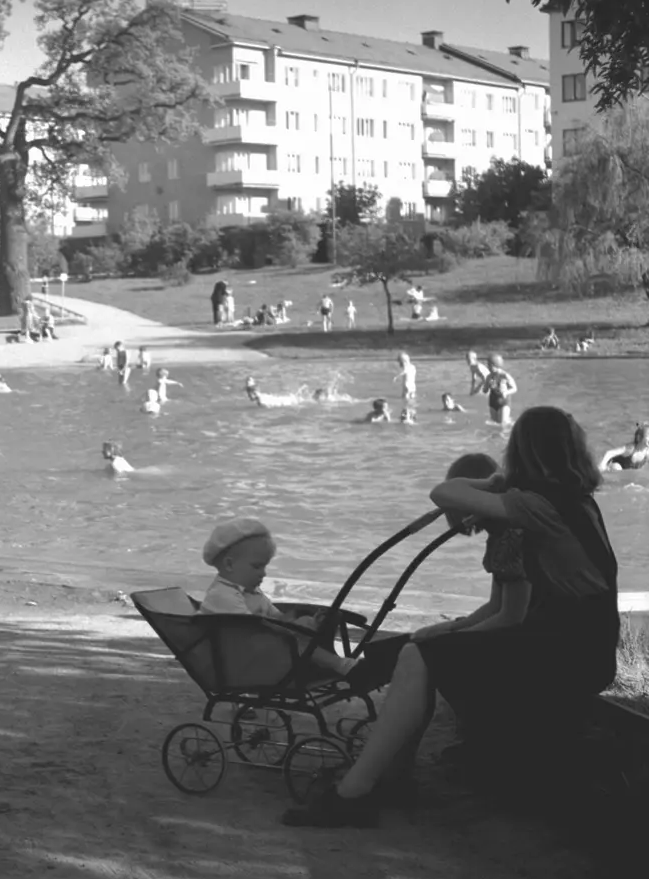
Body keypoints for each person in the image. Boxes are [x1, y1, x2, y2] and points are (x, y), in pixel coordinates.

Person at [283, 408, 619, 827]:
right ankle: (379, 782)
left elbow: (444, 492)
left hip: (566, 652)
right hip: (584, 645)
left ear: (522, 453)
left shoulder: (535, 506)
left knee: (420, 655)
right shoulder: (576, 502)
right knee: (419, 654)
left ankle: (355, 793)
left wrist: (494, 482)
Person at [200, 519, 360, 677]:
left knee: (297, 635)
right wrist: (290, 628)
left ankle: (334, 665)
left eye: (264, 566)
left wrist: (300, 623)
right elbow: (251, 628)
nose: (263, 573)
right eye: (256, 566)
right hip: (235, 663)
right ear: (229, 565)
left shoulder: (252, 592)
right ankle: (340, 665)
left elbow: (277, 618)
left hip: (254, 655)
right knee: (290, 641)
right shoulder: (222, 595)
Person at [483, 354, 517, 425]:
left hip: (503, 401)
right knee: (494, 423)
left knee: (502, 424)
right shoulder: (489, 376)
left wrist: (506, 392)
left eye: (489, 365)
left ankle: (512, 425)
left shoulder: (505, 375)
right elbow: (485, 390)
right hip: (492, 401)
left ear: (496, 365)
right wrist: (487, 384)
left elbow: (514, 388)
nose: (488, 367)